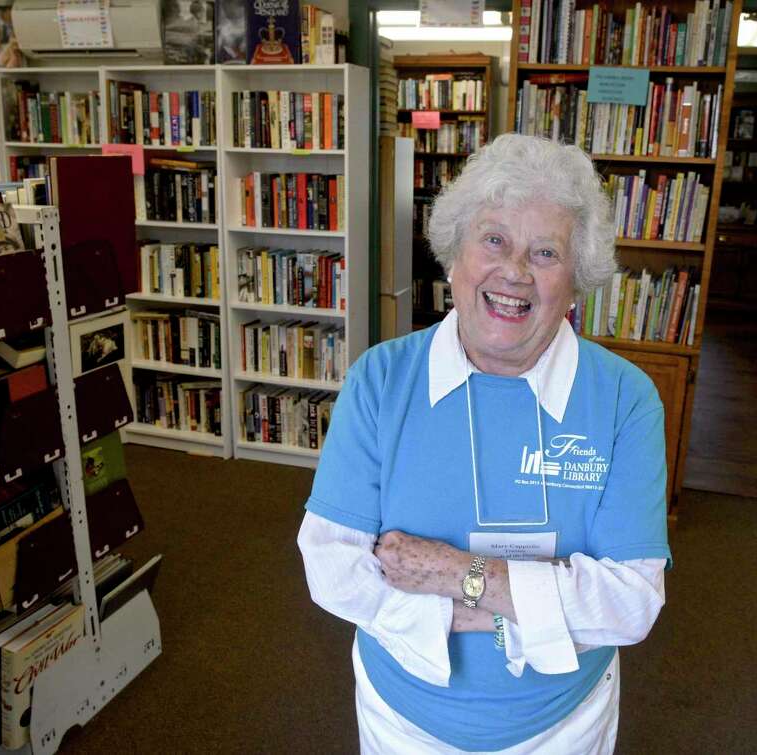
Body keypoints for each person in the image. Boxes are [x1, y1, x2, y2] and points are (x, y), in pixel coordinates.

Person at [298, 133, 671, 753]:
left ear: (575, 282)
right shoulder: (380, 379)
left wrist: (455, 576)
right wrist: (534, 602)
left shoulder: (626, 399)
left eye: (546, 252)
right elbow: (332, 568)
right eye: (494, 239)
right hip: (403, 720)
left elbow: (630, 602)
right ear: (453, 257)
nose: (515, 271)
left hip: (563, 727)